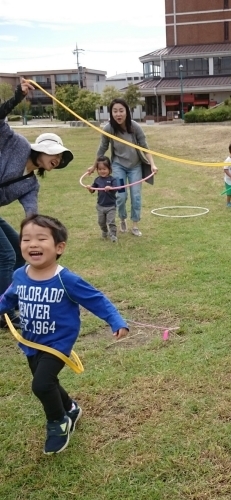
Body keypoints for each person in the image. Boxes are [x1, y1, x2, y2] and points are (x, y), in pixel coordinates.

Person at [0, 214, 129, 455]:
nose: (32, 244)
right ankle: (70, 408)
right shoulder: (20, 275)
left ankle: (58, 423)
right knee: (49, 381)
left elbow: (96, 299)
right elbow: (8, 299)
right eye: (26, 239)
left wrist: (115, 320)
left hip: (57, 344)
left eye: (41, 238)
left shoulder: (65, 279)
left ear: (59, 247)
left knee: (41, 384)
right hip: (31, 343)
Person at [0, 79, 74, 330]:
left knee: (20, 255)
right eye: (55, 154)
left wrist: (45, 240)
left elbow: (32, 216)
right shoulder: (16, 143)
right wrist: (18, 96)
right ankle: (5, 313)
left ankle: (10, 302)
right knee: (6, 254)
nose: (58, 159)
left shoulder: (31, 184)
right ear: (41, 149)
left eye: (60, 158)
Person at [91, 98, 158, 237]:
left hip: (135, 167)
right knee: (121, 196)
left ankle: (135, 225)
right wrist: (93, 167)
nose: (118, 114)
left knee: (136, 196)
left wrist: (152, 164)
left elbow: (145, 147)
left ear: (127, 111)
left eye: (121, 110)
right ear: (111, 113)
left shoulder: (134, 127)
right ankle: (122, 219)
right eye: (115, 111)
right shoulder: (109, 128)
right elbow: (102, 149)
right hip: (118, 166)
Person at [86, 156, 118, 242]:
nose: (102, 171)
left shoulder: (112, 179)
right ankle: (104, 231)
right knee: (101, 222)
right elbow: (93, 190)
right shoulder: (97, 180)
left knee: (111, 222)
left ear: (109, 169)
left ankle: (113, 235)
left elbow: (116, 188)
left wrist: (110, 187)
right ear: (97, 170)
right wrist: (90, 188)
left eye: (104, 169)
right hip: (100, 206)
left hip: (111, 206)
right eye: (99, 169)